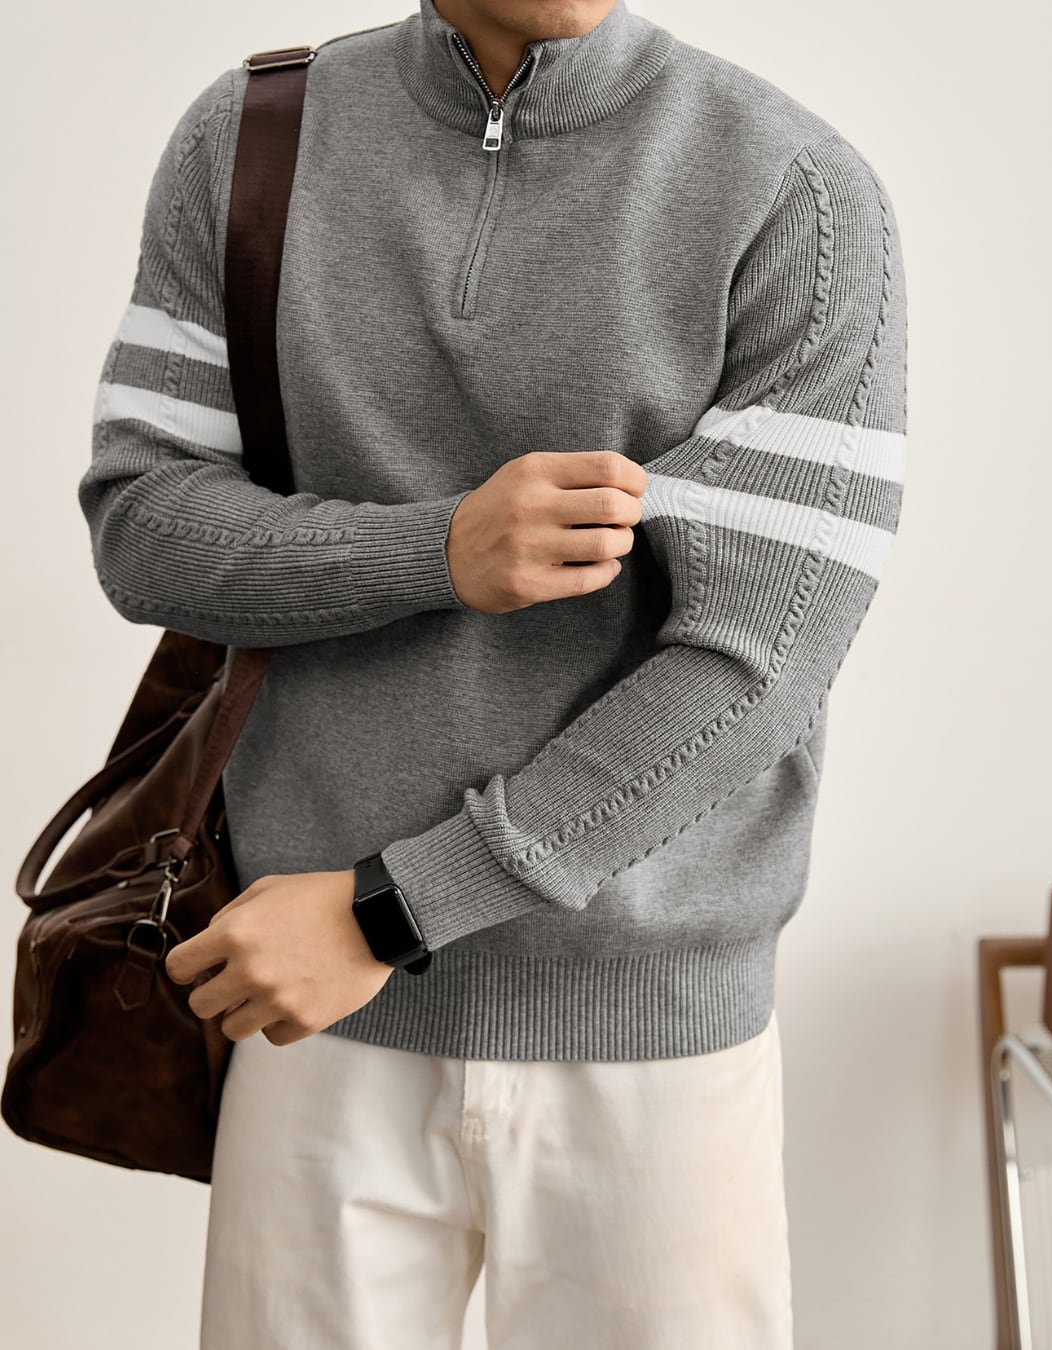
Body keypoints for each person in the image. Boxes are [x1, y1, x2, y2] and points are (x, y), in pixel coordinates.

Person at [79, 0, 907, 1345]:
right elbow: (143, 525)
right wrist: (439, 550)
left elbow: (760, 663)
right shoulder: (254, 137)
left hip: (633, 1025)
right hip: (312, 1017)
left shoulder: (792, 189)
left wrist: (388, 914)